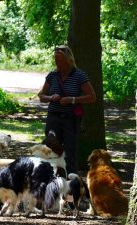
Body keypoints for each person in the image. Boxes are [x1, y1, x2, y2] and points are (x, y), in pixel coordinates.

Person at [38, 45, 96, 174]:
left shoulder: (79, 75)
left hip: (70, 120)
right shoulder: (52, 75)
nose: (58, 63)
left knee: (69, 153)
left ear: (69, 60)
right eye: (56, 60)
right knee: (50, 149)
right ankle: (50, 180)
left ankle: (70, 185)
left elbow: (92, 97)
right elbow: (41, 96)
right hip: (53, 118)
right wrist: (50, 97)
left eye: (61, 61)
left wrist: (72, 100)